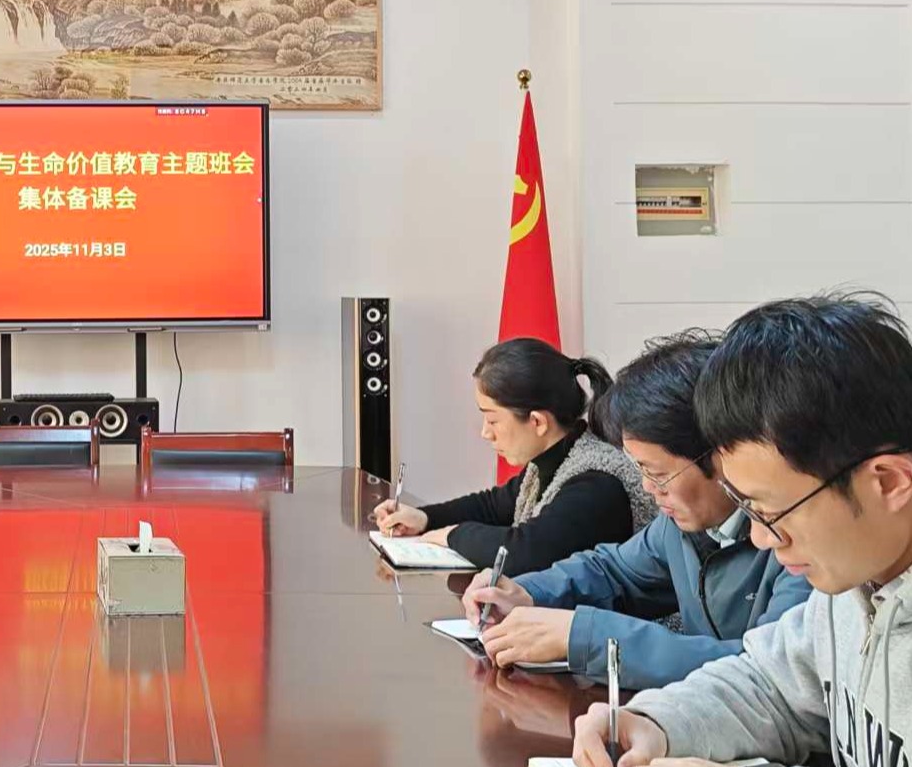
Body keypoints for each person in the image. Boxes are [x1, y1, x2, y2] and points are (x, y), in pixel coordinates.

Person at [571, 294, 912, 767]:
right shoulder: (848, 589)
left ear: (888, 482)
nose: (760, 538)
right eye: (747, 508)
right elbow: (769, 686)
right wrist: (656, 722)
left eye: (773, 512)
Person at [461, 330, 811, 689]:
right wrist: (528, 592)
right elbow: (614, 570)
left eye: (657, 473)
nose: (647, 487)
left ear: (723, 455)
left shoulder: (799, 544)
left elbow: (765, 671)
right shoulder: (679, 526)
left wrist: (588, 637)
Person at [374, 338, 657, 574]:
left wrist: (451, 535)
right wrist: (424, 517)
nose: (485, 433)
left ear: (537, 422)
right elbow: (492, 506)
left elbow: (524, 552)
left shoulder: (596, 483)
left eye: (493, 420)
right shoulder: (554, 461)